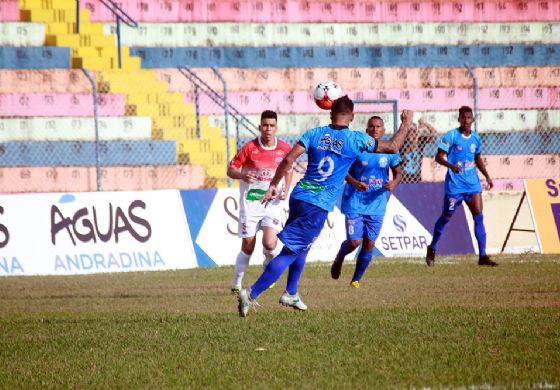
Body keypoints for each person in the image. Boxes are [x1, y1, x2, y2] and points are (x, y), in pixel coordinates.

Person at [236, 96, 415, 317]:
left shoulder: (314, 133)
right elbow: (393, 146)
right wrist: (406, 123)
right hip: (317, 204)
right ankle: (251, 294)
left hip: (299, 196)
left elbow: (288, 159)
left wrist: (274, 184)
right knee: (290, 251)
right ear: (352, 116)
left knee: (303, 246)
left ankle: (291, 291)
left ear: (330, 114)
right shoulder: (355, 139)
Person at [330, 116, 403, 287]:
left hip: (377, 203)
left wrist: (393, 183)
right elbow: (343, 171)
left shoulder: (390, 151)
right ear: (366, 130)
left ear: (383, 130)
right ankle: (340, 257)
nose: (375, 129)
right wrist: (355, 183)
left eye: (378, 126)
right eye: (371, 126)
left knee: (369, 243)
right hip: (355, 201)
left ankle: (356, 280)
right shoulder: (358, 148)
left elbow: (399, 172)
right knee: (355, 242)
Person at [227, 110, 292, 294]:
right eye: (265, 125)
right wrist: (241, 174)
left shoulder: (284, 149)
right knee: (248, 245)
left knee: (270, 244)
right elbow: (230, 170)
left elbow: (289, 169)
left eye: (271, 126)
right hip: (251, 204)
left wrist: (286, 188)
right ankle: (237, 283)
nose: (268, 129)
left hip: (272, 205)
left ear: (276, 128)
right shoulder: (249, 148)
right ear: (260, 127)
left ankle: (267, 270)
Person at [425, 106, 497, 267]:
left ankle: (483, 256)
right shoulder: (451, 136)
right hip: (455, 186)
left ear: (472, 119)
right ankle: (432, 247)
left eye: (469, 117)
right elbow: (438, 157)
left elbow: (477, 158)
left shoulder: (476, 138)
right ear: (459, 119)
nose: (466, 120)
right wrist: (451, 165)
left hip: (472, 184)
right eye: (463, 118)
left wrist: (487, 176)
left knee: (479, 217)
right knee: (445, 218)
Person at [401, 118, 438, 183]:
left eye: (413, 131)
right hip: (404, 176)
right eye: (409, 131)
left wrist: (425, 123)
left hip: (416, 175)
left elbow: (434, 134)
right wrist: (419, 132)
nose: (411, 133)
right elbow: (411, 148)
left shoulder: (420, 141)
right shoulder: (402, 143)